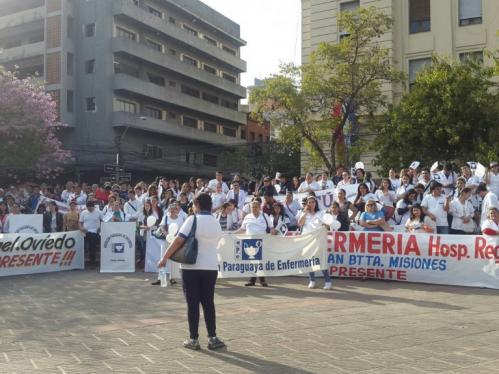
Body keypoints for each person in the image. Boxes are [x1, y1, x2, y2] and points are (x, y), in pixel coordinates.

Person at [157, 193, 226, 351]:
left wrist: (164, 258)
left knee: (192, 303)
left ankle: (193, 339)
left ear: (198, 205)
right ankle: (213, 337)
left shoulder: (192, 219)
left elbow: (178, 240)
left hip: (191, 267)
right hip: (210, 267)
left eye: (194, 205)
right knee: (208, 303)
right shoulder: (216, 222)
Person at [235, 200, 277, 287]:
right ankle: (253, 280)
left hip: (261, 242)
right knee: (252, 262)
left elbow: (271, 227)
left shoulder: (264, 216)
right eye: (252, 207)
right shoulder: (247, 217)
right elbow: (242, 229)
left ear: (259, 207)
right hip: (249, 242)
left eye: (255, 207)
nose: (254, 209)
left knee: (260, 262)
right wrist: (232, 234)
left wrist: (273, 230)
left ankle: (261, 280)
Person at [297, 196, 331, 289]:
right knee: (309, 260)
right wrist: (305, 213)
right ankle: (312, 280)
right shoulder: (304, 213)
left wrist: (326, 224)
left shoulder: (321, 213)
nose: (311, 204)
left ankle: (328, 281)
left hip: (319, 240)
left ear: (316, 203)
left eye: (312, 202)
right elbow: (300, 223)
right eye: (309, 202)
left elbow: (328, 225)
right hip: (308, 240)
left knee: (321, 260)